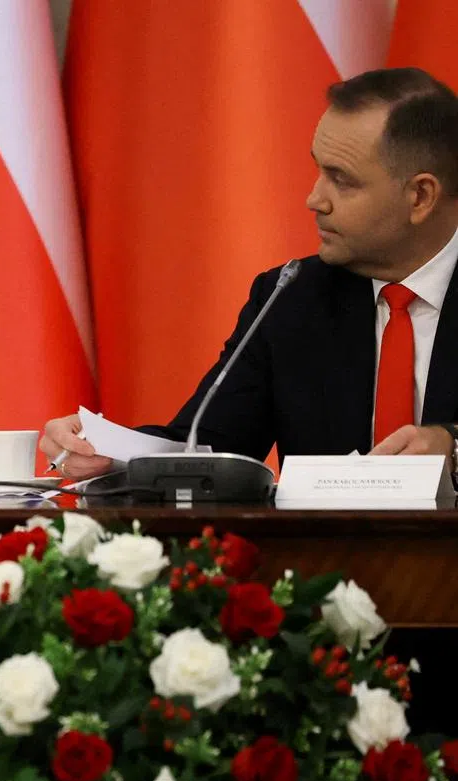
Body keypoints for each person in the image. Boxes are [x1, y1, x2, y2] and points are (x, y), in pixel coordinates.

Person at [39, 66, 458, 735]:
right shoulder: (290, 298)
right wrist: (112, 455)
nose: (312, 199)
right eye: (317, 170)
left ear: (420, 196)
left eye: (342, 180)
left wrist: (454, 449)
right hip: (319, 642)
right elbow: (205, 444)